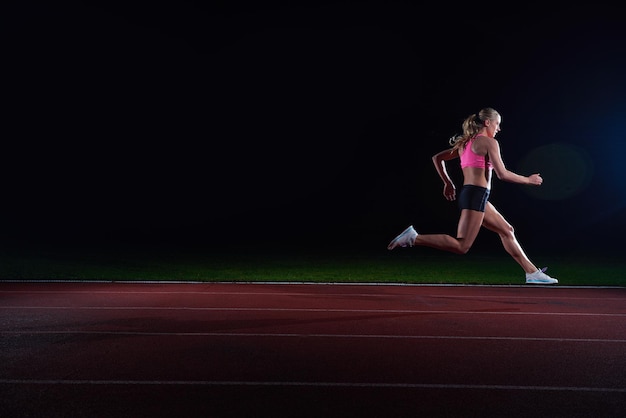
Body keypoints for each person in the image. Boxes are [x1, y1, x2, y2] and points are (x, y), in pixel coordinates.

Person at [387, 107, 558, 284]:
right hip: (476, 195)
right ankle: (414, 239)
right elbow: (502, 174)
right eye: (497, 124)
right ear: (488, 122)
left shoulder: (465, 143)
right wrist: (528, 180)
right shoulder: (489, 143)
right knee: (462, 246)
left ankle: (531, 273)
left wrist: (448, 182)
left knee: (507, 230)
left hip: (474, 195)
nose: (499, 129)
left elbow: (437, 158)